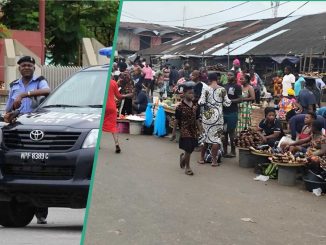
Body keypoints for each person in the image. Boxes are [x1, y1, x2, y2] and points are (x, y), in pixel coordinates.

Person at [5, 56, 51, 224]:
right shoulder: (13, 85)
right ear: (19, 68)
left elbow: (47, 92)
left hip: (37, 128)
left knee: (39, 168)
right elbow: (10, 106)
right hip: (18, 128)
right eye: (23, 65)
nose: (26, 67)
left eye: (29, 65)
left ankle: (41, 212)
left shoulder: (40, 81)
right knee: (22, 167)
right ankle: (20, 206)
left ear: (34, 68)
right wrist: (8, 114)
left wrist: (25, 94)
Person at [198, 73, 231, 166]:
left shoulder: (205, 89)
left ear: (209, 79)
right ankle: (214, 161)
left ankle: (201, 159)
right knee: (216, 139)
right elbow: (227, 103)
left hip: (207, 116)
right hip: (218, 117)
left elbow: (201, 101)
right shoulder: (222, 89)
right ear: (217, 79)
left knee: (205, 137)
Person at [172, 82, 201, 175]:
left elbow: (196, 119)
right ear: (183, 94)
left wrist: (200, 129)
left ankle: (183, 158)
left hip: (193, 129)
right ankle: (188, 167)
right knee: (188, 148)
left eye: (192, 93)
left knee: (191, 148)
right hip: (184, 129)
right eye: (189, 93)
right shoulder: (180, 107)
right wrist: (173, 132)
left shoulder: (195, 106)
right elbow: (176, 120)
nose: (191, 95)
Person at [103, 79, 133, 153]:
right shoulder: (113, 82)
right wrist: (127, 95)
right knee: (113, 126)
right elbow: (119, 96)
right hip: (111, 107)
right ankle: (116, 144)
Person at [223, 70, 242, 157]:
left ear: (234, 76)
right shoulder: (224, 86)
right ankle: (224, 151)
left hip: (232, 112)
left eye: (231, 75)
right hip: (223, 112)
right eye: (228, 75)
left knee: (231, 132)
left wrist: (230, 101)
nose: (228, 76)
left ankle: (233, 151)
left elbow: (240, 99)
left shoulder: (237, 87)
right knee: (224, 132)